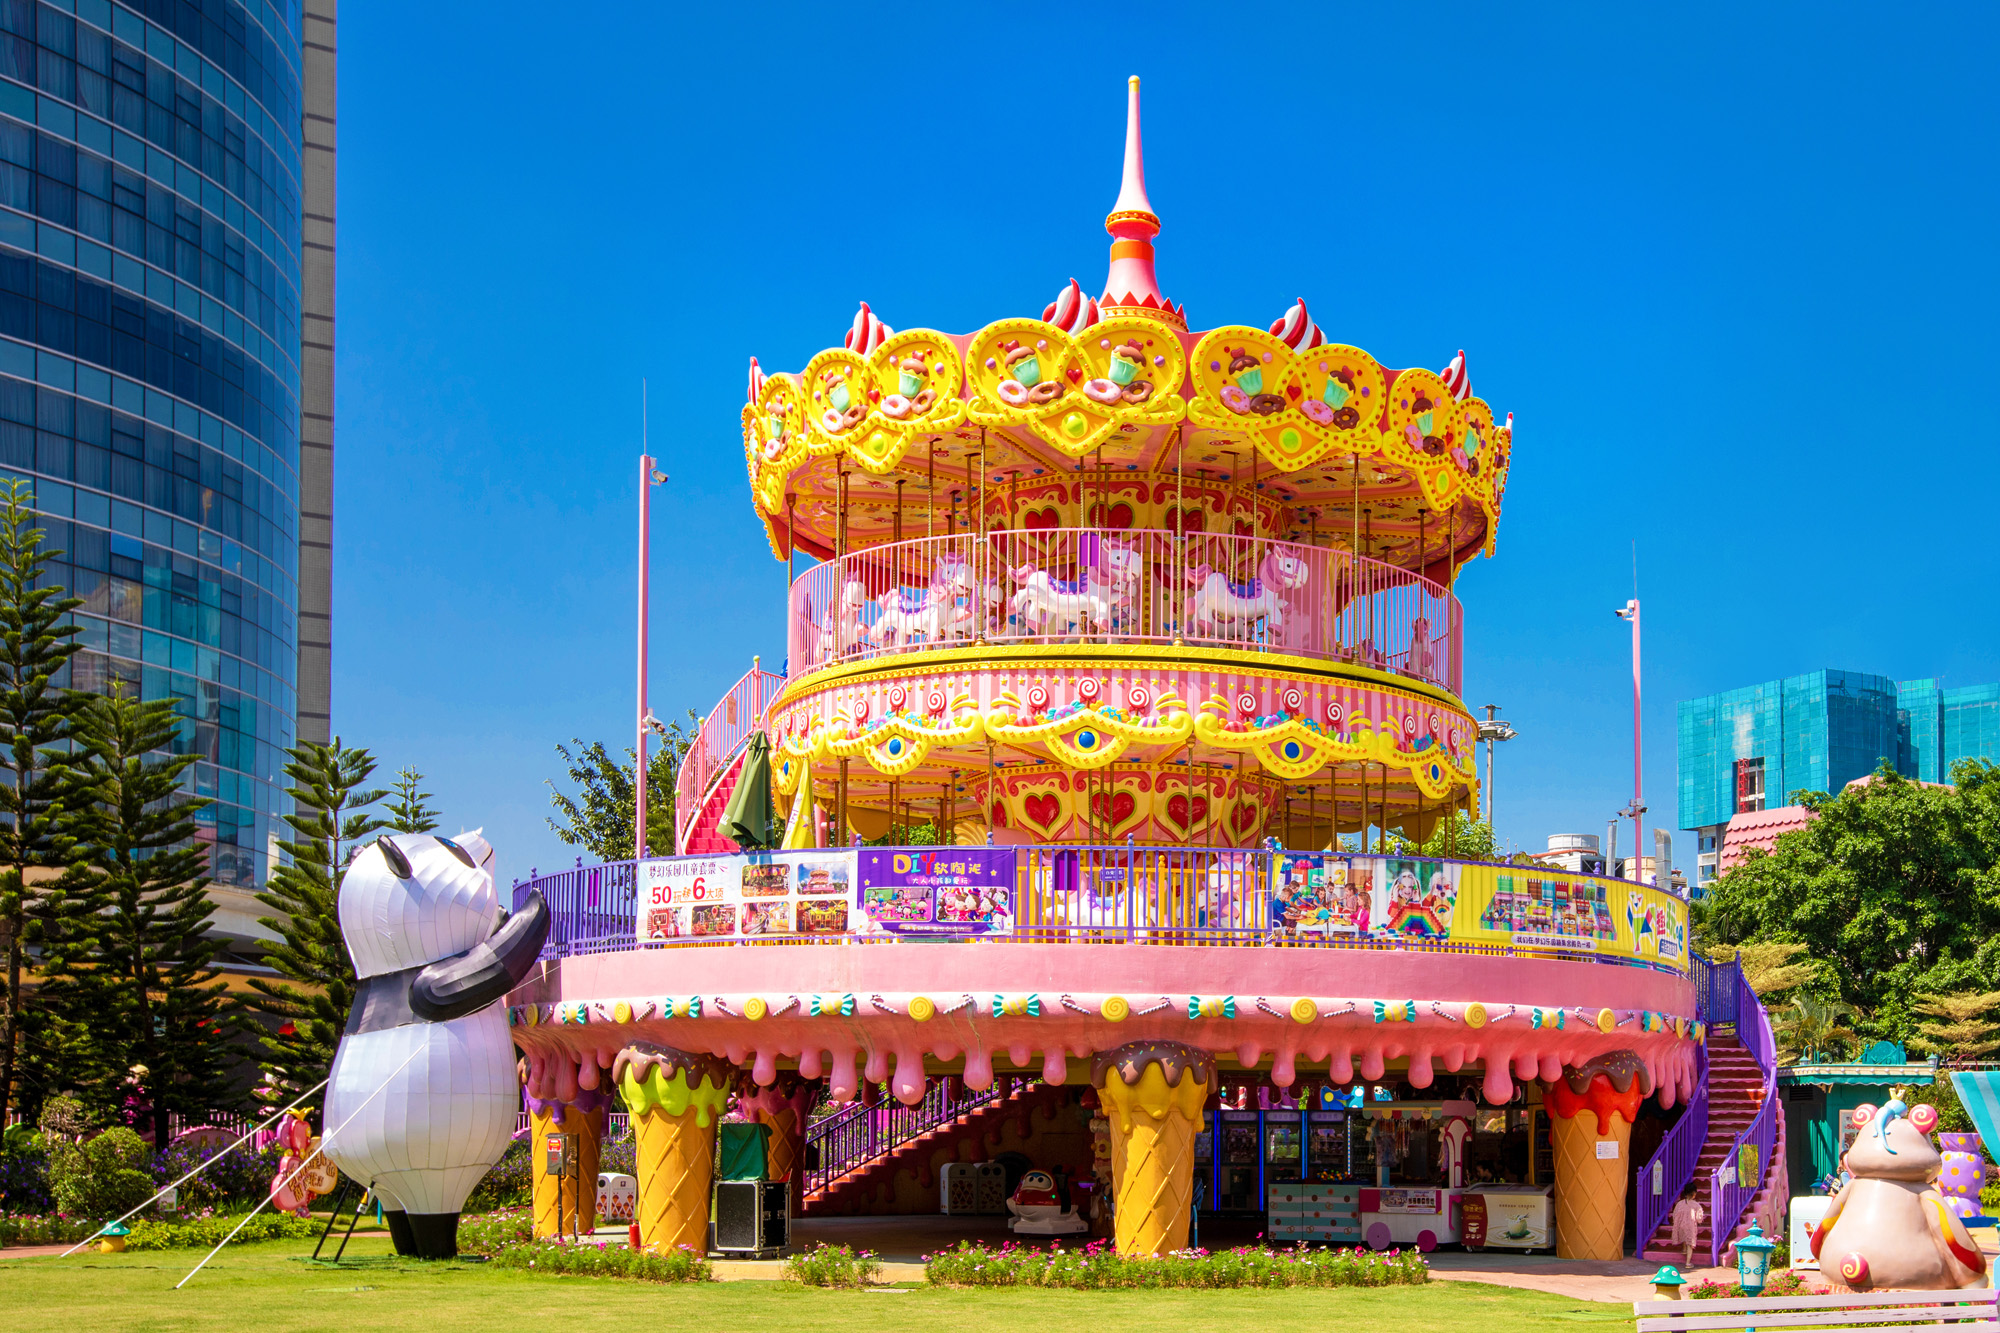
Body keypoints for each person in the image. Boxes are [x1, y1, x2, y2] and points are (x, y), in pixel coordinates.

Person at [1670, 1185, 1705, 1267]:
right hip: (1690, 1226)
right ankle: (1688, 1263)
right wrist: (1699, 1220)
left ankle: (1684, 1249)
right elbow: (1699, 1217)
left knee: (1683, 1236)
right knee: (1690, 1243)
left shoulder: (1679, 1204)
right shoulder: (1696, 1205)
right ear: (1694, 1193)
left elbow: (1675, 1214)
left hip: (1680, 1224)